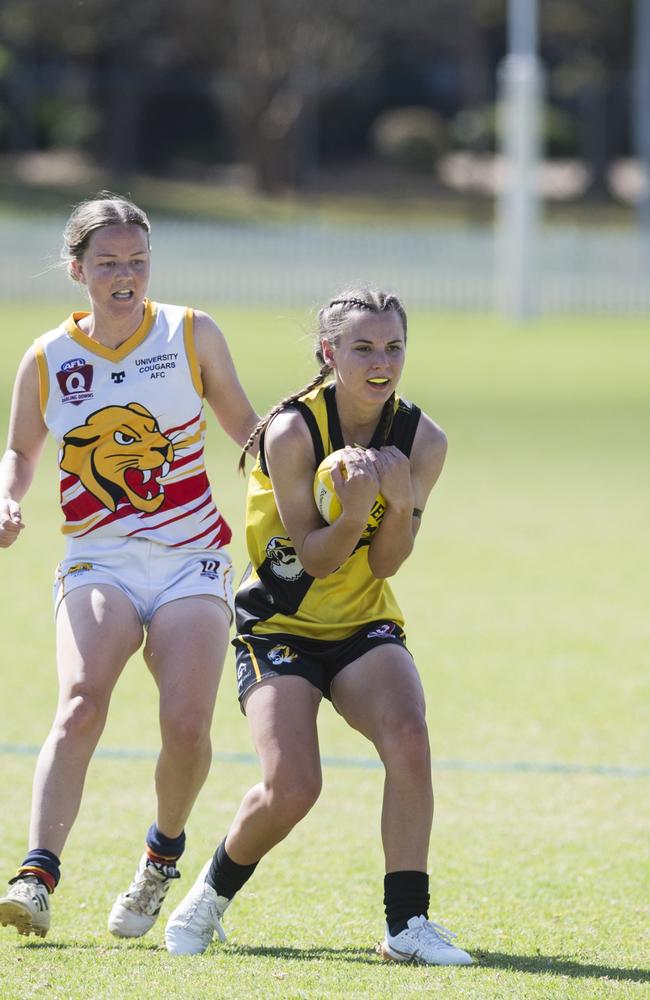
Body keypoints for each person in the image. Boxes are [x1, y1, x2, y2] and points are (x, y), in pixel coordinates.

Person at [164, 288, 473, 965]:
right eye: (362, 347)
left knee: (410, 736)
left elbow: (388, 562)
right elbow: (314, 560)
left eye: (393, 346)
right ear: (329, 353)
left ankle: (407, 925)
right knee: (295, 787)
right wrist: (355, 505)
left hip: (362, 623)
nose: (380, 361)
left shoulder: (423, 440)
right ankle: (210, 894)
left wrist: (394, 510)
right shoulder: (292, 432)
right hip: (280, 624)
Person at [0, 192, 258, 941]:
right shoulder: (48, 357)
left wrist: (299, 458)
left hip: (192, 560)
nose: (126, 277)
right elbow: (20, 451)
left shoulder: (189, 331)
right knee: (82, 701)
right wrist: (7, 498)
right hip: (99, 558)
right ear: (77, 269)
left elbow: (245, 425)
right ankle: (35, 875)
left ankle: (159, 861)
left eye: (137, 262)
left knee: (185, 724)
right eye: (108, 264)